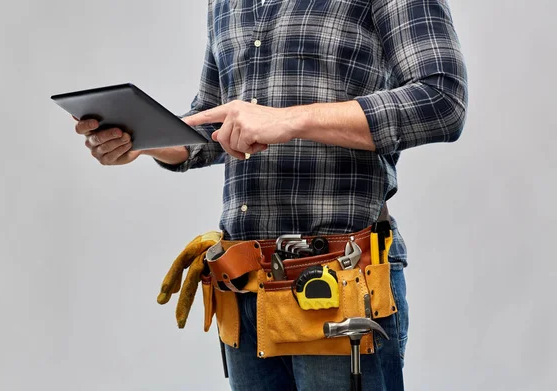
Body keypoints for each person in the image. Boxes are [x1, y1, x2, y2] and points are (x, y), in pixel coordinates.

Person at [74, 0, 467, 389]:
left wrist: (290, 119)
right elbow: (215, 120)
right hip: (244, 288)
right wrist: (145, 140)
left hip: (340, 284)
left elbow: (442, 99)